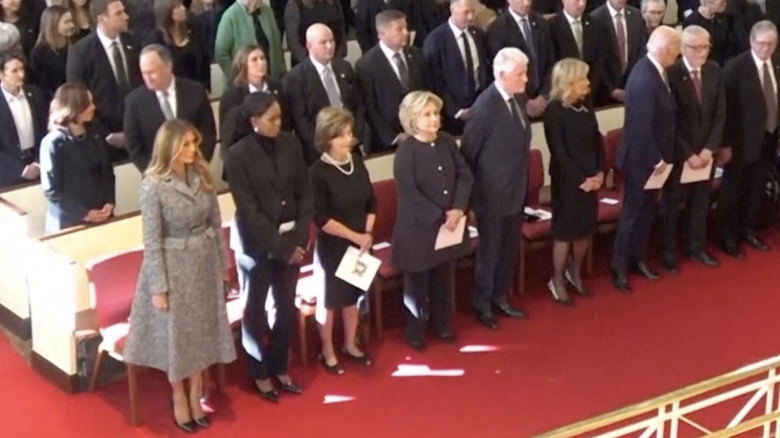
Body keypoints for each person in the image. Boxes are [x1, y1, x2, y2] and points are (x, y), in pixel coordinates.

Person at [123, 119, 236, 433]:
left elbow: (216, 223)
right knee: (178, 338)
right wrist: (158, 286)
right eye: (186, 144)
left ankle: (197, 392)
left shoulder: (201, 174)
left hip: (203, 263)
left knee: (200, 334)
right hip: (173, 269)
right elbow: (151, 239)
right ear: (169, 146)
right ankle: (178, 396)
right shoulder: (153, 184)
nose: (192, 150)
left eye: (195, 144)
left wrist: (222, 266)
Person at [224, 92, 311, 404]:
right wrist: (280, 246)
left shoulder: (290, 142)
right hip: (256, 245)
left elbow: (305, 192)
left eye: (279, 117)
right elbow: (248, 209)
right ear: (254, 122)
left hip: (291, 240)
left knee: (286, 306)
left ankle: (280, 365)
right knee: (255, 309)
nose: (278, 124)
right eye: (271, 119)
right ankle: (259, 371)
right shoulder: (237, 155)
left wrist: (299, 239)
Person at [393, 91, 473, 349]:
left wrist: (458, 208)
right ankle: (415, 330)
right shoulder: (406, 151)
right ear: (413, 120)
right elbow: (409, 192)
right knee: (417, 281)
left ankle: (442, 324)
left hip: (450, 223)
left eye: (435, 113)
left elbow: (465, 176)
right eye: (426, 115)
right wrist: (440, 216)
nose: (434, 119)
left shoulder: (447, 142)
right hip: (418, 228)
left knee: (443, 274)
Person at [461, 47, 530, 330]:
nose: (526, 79)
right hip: (491, 195)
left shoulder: (516, 99)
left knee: (509, 249)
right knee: (489, 252)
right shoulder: (484, 108)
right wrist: (471, 202)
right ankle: (483, 303)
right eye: (520, 74)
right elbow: (468, 155)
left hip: (515, 190)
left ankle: (501, 296)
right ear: (501, 75)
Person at [610, 26, 679, 292]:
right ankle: (619, 268)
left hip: (654, 160)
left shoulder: (657, 72)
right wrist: (657, 159)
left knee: (647, 212)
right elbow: (641, 126)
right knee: (632, 214)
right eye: (676, 50)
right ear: (666, 50)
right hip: (643, 160)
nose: (677, 55)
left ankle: (636, 259)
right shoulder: (644, 77)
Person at [310, 107, 376, 373]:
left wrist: (367, 235)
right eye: (341, 135)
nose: (348, 139)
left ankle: (350, 343)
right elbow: (321, 218)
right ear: (327, 139)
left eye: (349, 133)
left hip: (360, 245)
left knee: (351, 297)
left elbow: (372, 201)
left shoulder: (357, 162)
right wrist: (355, 236)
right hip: (333, 247)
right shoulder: (317, 172)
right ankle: (327, 350)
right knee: (329, 302)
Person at [659, 25, 725, 271]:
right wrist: (689, 154)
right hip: (681, 154)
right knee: (672, 204)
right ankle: (667, 253)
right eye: (696, 47)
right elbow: (670, 121)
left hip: (707, 153)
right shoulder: (671, 73)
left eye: (705, 46)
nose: (702, 52)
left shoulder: (715, 70)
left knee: (701, 202)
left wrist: (709, 149)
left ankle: (696, 247)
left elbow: (720, 113)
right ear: (683, 48)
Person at [543, 58, 604, 305]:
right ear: (568, 82)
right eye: (582, 78)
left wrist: (600, 172)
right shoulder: (554, 110)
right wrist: (581, 180)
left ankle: (574, 272)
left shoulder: (585, 103)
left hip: (591, 175)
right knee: (566, 231)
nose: (587, 83)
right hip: (568, 181)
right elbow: (559, 151)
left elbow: (597, 139)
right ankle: (556, 278)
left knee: (585, 228)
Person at [718, 20, 779, 258]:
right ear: (752, 41)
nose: (766, 48)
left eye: (771, 44)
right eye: (762, 43)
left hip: (768, 138)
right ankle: (727, 237)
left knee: (755, 189)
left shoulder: (777, 63)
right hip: (740, 141)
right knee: (733, 190)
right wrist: (724, 144)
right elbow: (726, 111)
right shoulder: (735, 68)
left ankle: (748, 229)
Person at [66, 0, 142, 161]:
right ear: (102, 18)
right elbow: (77, 98)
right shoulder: (81, 52)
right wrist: (106, 134)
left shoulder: (134, 43)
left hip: (138, 133)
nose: (126, 16)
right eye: (118, 13)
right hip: (101, 140)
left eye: (124, 11)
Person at [124, 44, 216, 172]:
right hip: (157, 178)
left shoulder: (195, 92)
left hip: (195, 171)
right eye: (144, 73)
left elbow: (208, 134)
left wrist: (198, 166)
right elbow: (134, 146)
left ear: (168, 66)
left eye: (152, 72)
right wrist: (156, 173)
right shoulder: (134, 102)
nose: (147, 78)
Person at [284, 23, 364, 164]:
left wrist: (353, 136)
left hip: (351, 146)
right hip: (319, 154)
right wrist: (326, 146)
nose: (329, 46)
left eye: (331, 41)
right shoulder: (295, 79)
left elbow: (357, 106)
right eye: (323, 42)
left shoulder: (344, 67)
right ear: (309, 46)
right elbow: (302, 122)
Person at [39, 83, 115, 232]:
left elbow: (107, 172)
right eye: (88, 103)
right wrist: (85, 214)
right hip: (70, 223)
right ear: (75, 107)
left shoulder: (95, 134)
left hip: (101, 216)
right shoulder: (53, 142)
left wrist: (109, 202)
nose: (93, 107)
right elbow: (52, 190)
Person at [355, 9, 429, 155]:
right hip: (385, 143)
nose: (406, 33)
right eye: (399, 29)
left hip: (419, 134)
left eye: (406, 28)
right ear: (382, 34)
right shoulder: (366, 65)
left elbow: (426, 91)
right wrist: (394, 137)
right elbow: (370, 108)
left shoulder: (417, 55)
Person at [424, 0, 490, 135]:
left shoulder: (479, 35)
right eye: (466, 12)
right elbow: (435, 81)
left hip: (480, 110)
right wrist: (456, 111)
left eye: (473, 12)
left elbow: (485, 70)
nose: (471, 17)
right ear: (453, 9)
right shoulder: (436, 40)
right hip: (451, 117)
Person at [487, 0, 555, 119]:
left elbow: (550, 61)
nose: (526, 3)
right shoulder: (497, 29)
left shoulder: (542, 23)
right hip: (516, 106)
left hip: (545, 103)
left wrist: (544, 96)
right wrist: (525, 101)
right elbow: (500, 72)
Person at [218, 44, 285, 150]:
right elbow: (228, 134)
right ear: (243, 65)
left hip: (278, 147)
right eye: (254, 60)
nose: (261, 63)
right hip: (246, 152)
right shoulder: (232, 96)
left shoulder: (277, 87)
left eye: (262, 58)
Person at [0, 51, 48, 189]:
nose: (21, 74)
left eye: (22, 69)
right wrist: (20, 169)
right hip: (9, 173)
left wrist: (38, 162)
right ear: (1, 74)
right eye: (15, 71)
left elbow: (45, 131)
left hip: (38, 165)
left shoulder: (35, 94)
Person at [549, 0, 610, 106]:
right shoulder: (551, 26)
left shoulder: (596, 25)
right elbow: (552, 62)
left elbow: (600, 59)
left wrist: (589, 86)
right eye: (577, 0)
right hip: (565, 95)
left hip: (592, 93)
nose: (581, 4)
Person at [215, 0, 286, 87]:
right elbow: (221, 54)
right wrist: (240, 76)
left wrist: (282, 73)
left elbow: (276, 46)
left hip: (269, 82)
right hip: (241, 87)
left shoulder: (267, 12)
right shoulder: (230, 15)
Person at [591, 0, 647, 105]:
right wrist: (610, 89)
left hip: (633, 87)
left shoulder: (636, 15)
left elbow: (641, 51)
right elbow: (596, 60)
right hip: (604, 93)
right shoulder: (596, 18)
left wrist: (635, 83)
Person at [146, 0, 211, 90]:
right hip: (173, 91)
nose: (183, 8)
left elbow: (205, 60)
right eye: (178, 6)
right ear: (168, 13)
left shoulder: (194, 28)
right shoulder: (156, 39)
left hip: (198, 89)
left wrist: (206, 87)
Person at [29, 6, 75, 101]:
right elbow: (39, 85)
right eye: (67, 22)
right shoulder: (39, 53)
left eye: (71, 21)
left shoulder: (74, 46)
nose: (72, 25)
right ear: (53, 24)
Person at [284, 0, 347, 65]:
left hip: (335, 61)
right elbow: (293, 42)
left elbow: (342, 32)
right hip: (305, 65)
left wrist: (336, 60)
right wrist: (313, 64)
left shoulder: (334, 2)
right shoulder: (295, 4)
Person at [684, 0, 732, 66]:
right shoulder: (692, 21)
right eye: (722, 2)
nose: (725, 4)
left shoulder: (724, 18)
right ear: (710, 2)